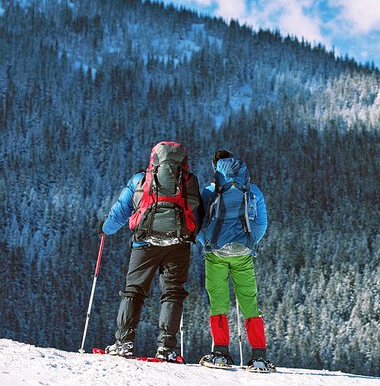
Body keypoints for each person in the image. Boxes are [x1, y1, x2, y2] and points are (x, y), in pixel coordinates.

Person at [100, 141, 202, 361]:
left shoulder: (140, 179)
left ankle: (123, 343)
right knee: (173, 293)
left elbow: (120, 210)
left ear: (154, 158)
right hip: (178, 244)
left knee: (133, 291)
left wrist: (105, 229)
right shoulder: (188, 181)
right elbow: (197, 213)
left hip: (144, 243)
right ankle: (166, 348)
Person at [197, 149, 274, 372]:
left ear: (216, 167)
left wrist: (207, 243)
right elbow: (261, 222)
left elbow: (197, 222)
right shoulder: (252, 190)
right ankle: (259, 357)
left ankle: (221, 353)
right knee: (250, 301)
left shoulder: (210, 191)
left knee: (219, 302)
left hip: (216, 255)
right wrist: (249, 242)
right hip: (243, 255)